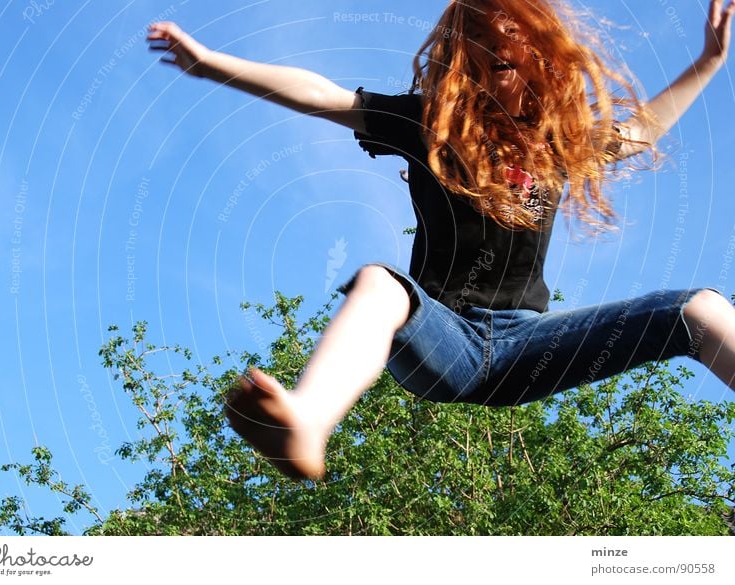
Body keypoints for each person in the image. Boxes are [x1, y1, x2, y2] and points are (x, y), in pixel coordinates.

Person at [147, 0, 735, 481]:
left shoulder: (558, 144)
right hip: (441, 339)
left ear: (537, 49)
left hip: (526, 346)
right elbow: (326, 96)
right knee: (380, 284)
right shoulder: (427, 124)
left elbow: (637, 132)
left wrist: (708, 63)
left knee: (700, 311)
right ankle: (305, 421)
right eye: (483, 34)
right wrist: (210, 64)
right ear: (464, 58)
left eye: (511, 30)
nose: (499, 41)